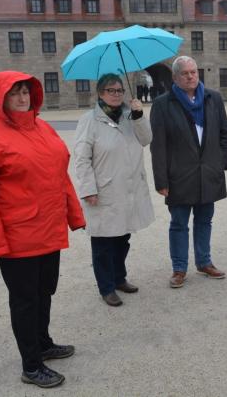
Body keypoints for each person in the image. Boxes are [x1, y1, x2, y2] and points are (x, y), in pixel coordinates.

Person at [0, 71, 86, 388]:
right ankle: (31, 365)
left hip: (48, 229)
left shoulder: (42, 126)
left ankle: (43, 343)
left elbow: (60, 176)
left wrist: (74, 214)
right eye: (14, 92)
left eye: (25, 91)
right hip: (17, 236)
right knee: (25, 300)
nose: (22, 98)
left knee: (45, 291)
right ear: (0, 97)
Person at [150, 56, 227, 288]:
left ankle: (204, 262)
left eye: (194, 72)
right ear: (175, 77)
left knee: (205, 220)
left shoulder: (212, 99)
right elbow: (158, 146)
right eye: (185, 73)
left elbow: (225, 133)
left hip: (208, 172)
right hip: (179, 175)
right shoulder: (163, 104)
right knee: (179, 223)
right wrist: (161, 180)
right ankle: (179, 268)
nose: (191, 76)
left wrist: (222, 161)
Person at [73, 74, 154, 307]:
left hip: (128, 188)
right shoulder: (89, 120)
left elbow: (146, 139)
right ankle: (106, 287)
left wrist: (139, 116)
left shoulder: (131, 115)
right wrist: (88, 189)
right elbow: (81, 158)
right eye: (111, 90)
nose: (117, 94)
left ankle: (119, 278)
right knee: (103, 243)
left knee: (123, 238)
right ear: (100, 94)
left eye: (119, 90)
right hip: (104, 190)